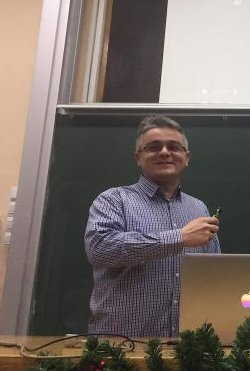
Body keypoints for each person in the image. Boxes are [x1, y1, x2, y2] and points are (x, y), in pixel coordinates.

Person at [84, 115, 220, 337]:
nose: (165, 152)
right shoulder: (113, 200)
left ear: (187, 157)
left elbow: (214, 275)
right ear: (138, 157)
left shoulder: (199, 208)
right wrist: (179, 237)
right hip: (120, 344)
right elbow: (100, 249)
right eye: (154, 147)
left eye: (174, 147)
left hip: (187, 344)